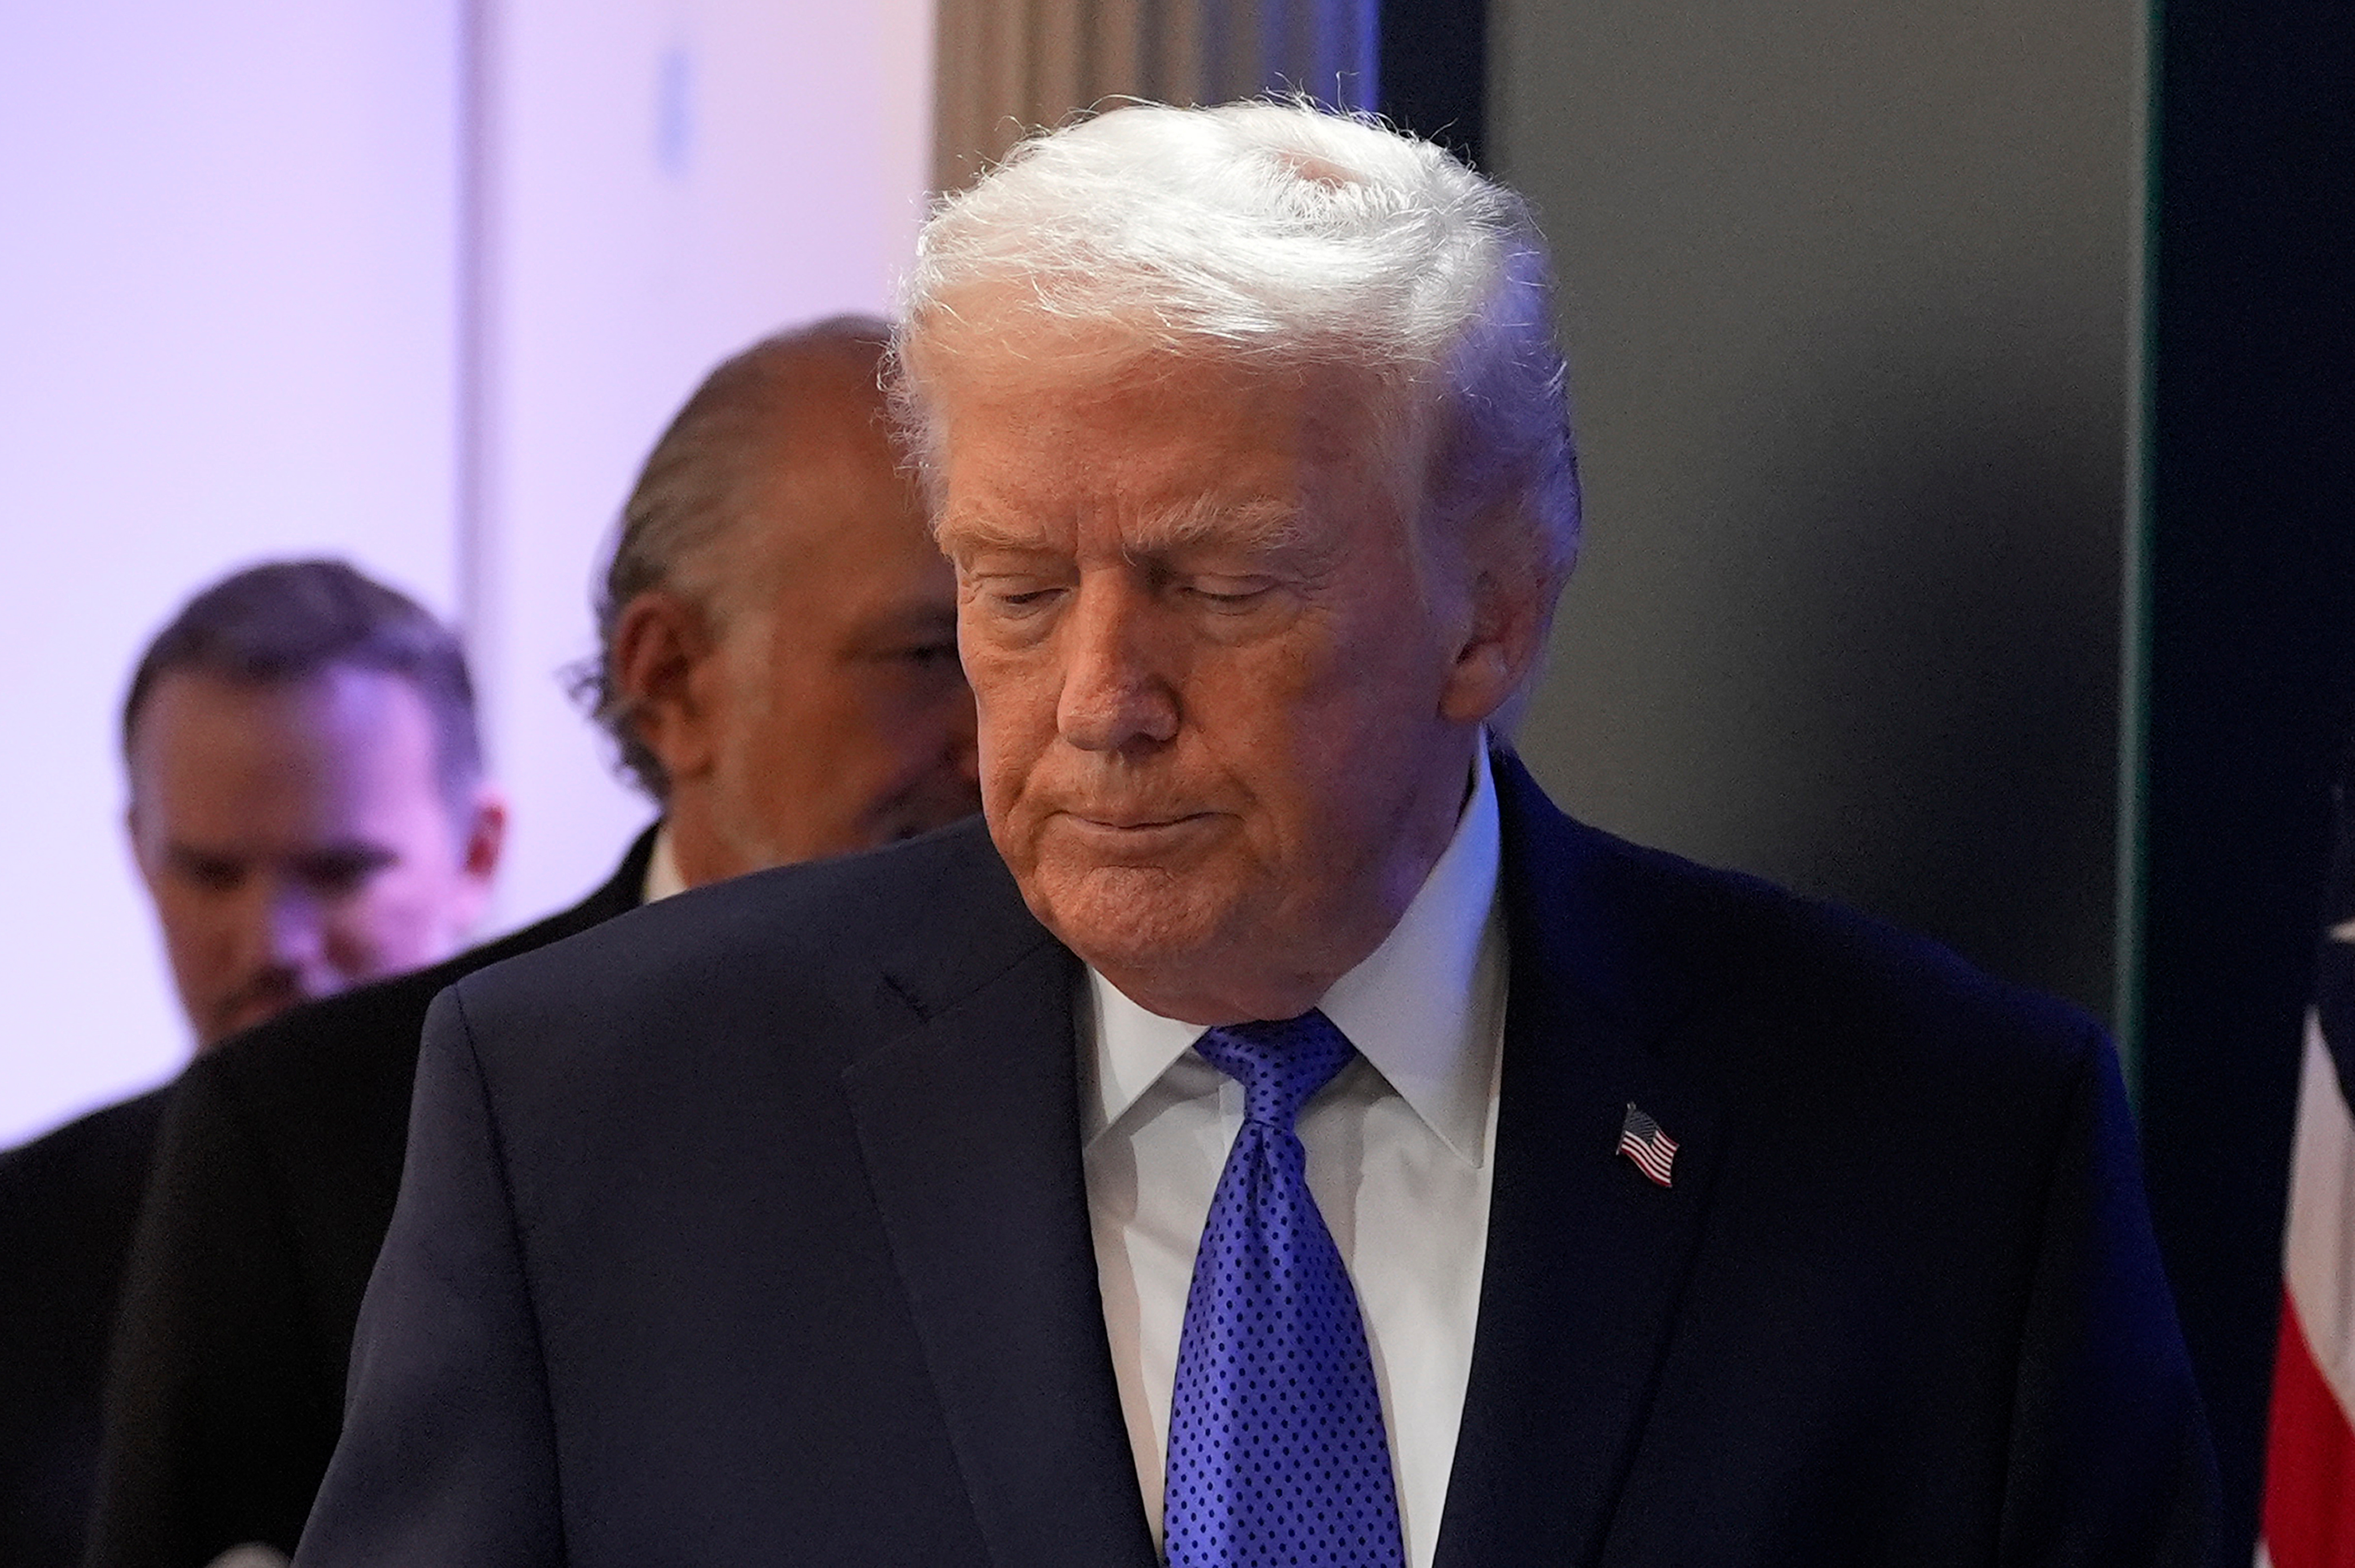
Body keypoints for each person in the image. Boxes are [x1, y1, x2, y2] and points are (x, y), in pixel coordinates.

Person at [296, 103, 2219, 1568]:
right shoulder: (598, 1113)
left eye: (1217, 584)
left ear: (1491, 610)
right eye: (1015, 590)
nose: (1098, 697)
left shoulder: (1945, 1145)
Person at [83, 316, 979, 1568]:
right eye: (931, 653)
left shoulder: (1127, 1054)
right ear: (670, 679)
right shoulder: (316, 1125)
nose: (1011, 729)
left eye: (1024, 630)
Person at [0, 559, 502, 1568]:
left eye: (338, 870)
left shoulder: (611, 1192)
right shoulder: (20, 1237)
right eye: (210, 872)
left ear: (477, 854)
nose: (271, 938)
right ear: (141, 855)